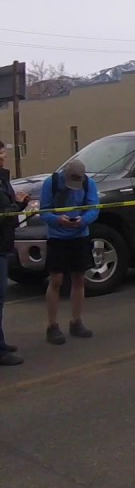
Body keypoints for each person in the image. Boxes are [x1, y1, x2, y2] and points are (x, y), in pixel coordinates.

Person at [39, 158, 98, 345]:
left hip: (80, 235)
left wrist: (84, 220)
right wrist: (58, 220)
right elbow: (44, 211)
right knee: (56, 279)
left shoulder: (89, 184)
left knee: (79, 277)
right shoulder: (52, 183)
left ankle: (77, 321)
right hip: (58, 237)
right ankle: (52, 325)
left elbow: (94, 207)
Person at [1, 140, 30, 365]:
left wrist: (20, 205)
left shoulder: (3, 180)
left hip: (4, 245)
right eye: (0, 153)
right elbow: (4, 213)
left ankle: (0, 343)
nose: (3, 156)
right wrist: (18, 205)